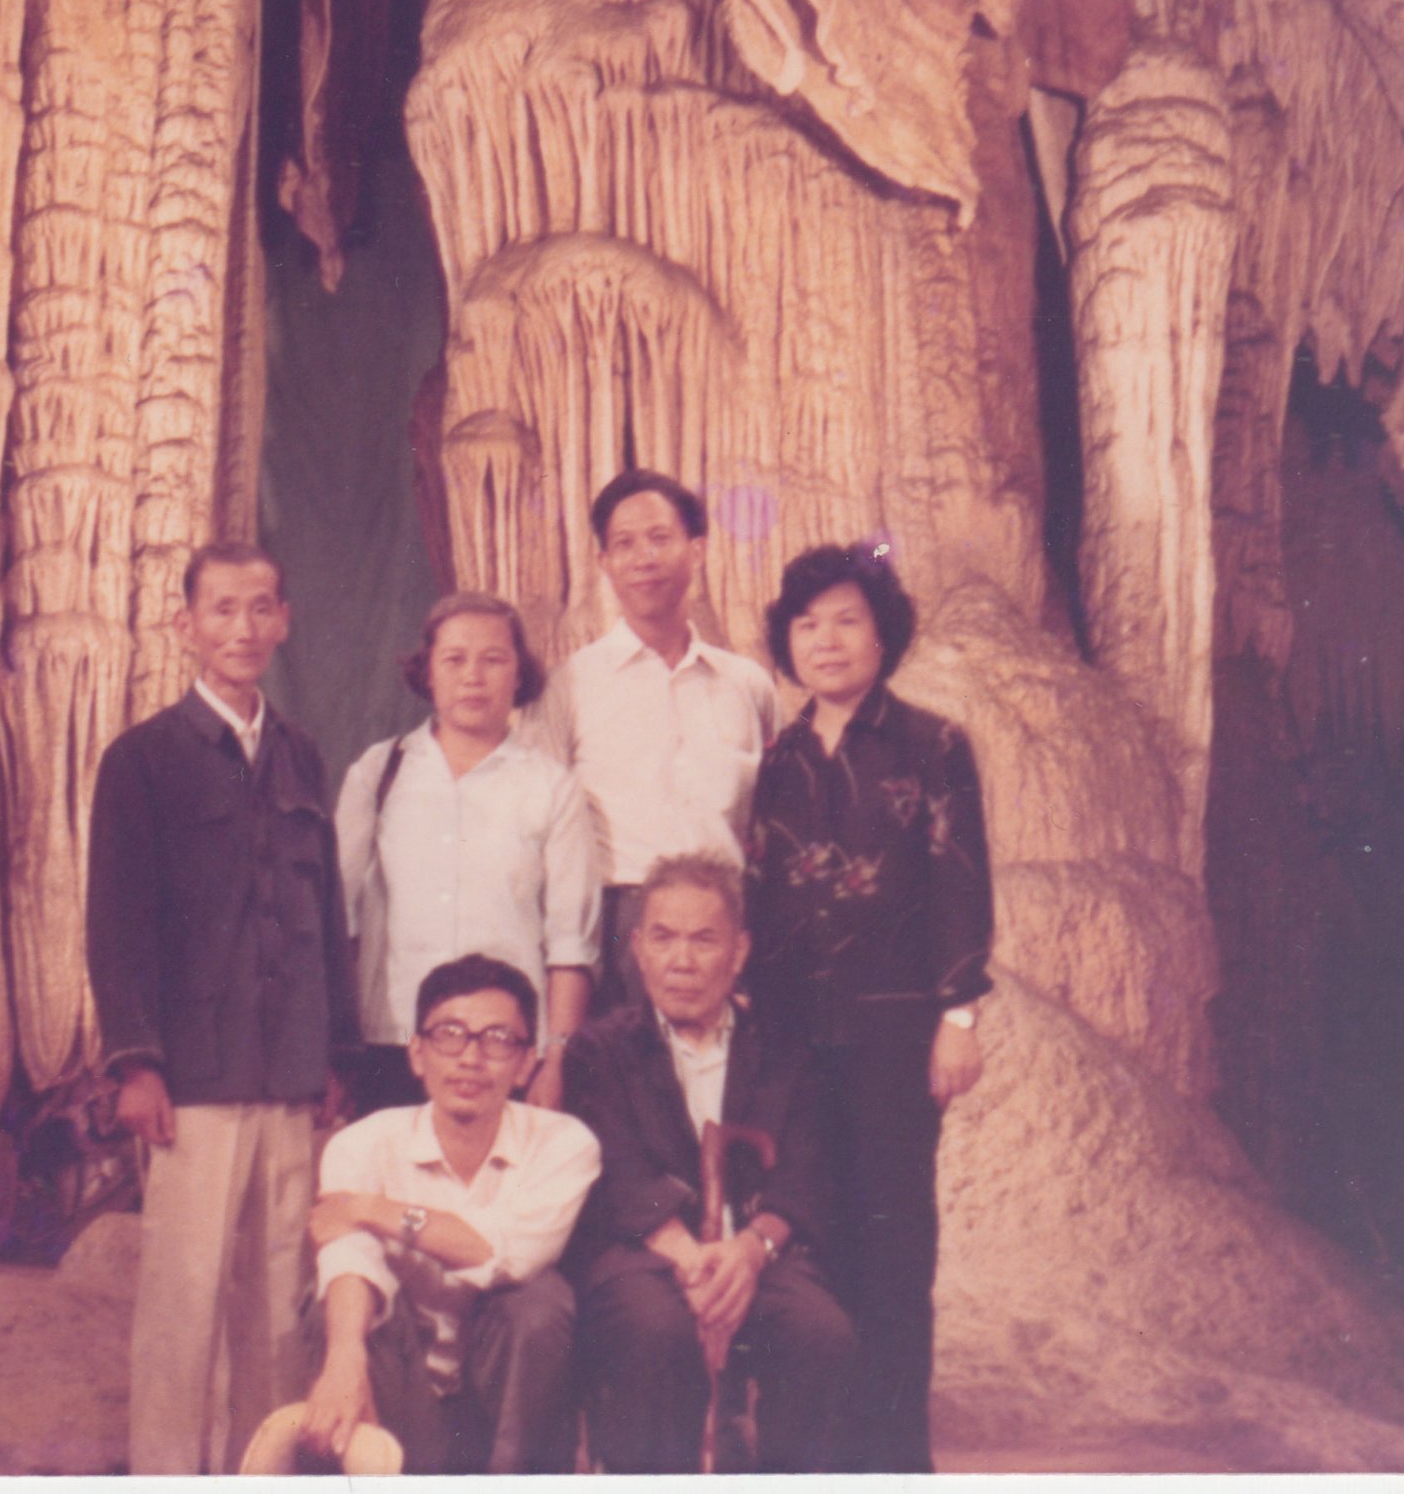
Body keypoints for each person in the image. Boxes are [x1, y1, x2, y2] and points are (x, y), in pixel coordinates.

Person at [86, 543, 356, 1476]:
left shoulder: (302, 757)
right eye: (221, 610)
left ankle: (265, 1473)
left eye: (260, 609)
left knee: (278, 1303)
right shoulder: (144, 760)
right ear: (187, 624)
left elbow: (326, 914)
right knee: (184, 1303)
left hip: (287, 1070)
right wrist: (136, 1062)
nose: (242, 629)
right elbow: (116, 921)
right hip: (191, 1075)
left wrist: (333, 1055)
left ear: (284, 620)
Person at [745, 542, 994, 1472]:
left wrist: (958, 1018)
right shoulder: (780, 754)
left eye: (847, 619)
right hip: (791, 1042)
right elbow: (762, 894)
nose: (826, 640)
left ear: (883, 633)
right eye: (807, 625)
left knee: (893, 1254)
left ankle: (894, 1465)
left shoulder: (933, 745)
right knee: (808, 1245)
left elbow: (961, 884)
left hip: (896, 1038)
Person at [559, 853, 855, 1472]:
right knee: (655, 1331)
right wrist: (695, 1266)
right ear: (637, 948)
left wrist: (746, 1255)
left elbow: (805, 1173)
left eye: (704, 940)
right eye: (663, 938)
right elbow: (615, 1174)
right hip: (645, 1253)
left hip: (752, 1254)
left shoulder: (784, 1048)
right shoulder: (599, 1049)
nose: (682, 961)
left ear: (739, 951)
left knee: (820, 1333)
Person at [298, 955, 601, 1474]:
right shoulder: (361, 1145)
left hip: (506, 1407)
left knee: (540, 1303)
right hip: (395, 1390)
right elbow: (350, 1259)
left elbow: (504, 1255)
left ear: (527, 1062)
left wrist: (371, 1208)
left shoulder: (564, 1143)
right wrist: (345, 1358)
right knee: (336, 1307)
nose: (470, 1058)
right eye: (449, 1035)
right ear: (416, 1054)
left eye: (498, 1039)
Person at [528, 470, 780, 1018]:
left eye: (660, 539)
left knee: (722, 1093)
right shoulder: (569, 685)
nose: (643, 557)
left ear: (697, 550)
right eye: (624, 544)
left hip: (727, 918)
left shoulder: (748, 685)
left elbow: (772, 819)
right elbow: (542, 827)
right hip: (621, 920)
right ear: (604, 564)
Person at [335, 593, 596, 1115]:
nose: (472, 676)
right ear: (427, 671)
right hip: (394, 1044)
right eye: (454, 659)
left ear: (519, 674)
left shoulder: (551, 787)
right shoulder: (379, 772)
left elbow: (571, 943)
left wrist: (556, 1058)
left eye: (493, 659)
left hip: (508, 1048)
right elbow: (338, 919)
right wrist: (336, 1054)